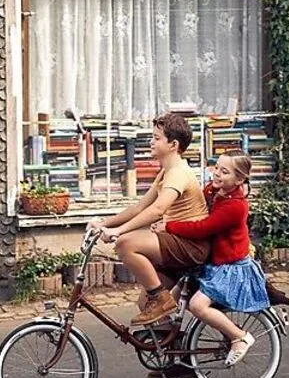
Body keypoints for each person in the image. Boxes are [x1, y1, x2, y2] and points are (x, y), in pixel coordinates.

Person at [89, 112, 211, 326]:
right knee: (144, 301)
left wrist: (119, 232)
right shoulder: (166, 172)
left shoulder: (178, 173)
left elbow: (157, 210)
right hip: (179, 242)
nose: (151, 142)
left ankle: (162, 299)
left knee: (126, 244)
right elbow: (139, 208)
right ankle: (171, 350)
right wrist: (103, 224)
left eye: (156, 138)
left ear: (173, 144)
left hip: (192, 246)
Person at [153, 149, 269, 366]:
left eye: (224, 172)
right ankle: (174, 347)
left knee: (197, 306)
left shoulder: (235, 205)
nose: (217, 174)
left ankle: (239, 337)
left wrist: (169, 226)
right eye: (216, 168)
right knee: (173, 300)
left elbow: (204, 227)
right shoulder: (216, 192)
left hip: (231, 267)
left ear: (239, 179)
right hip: (215, 262)